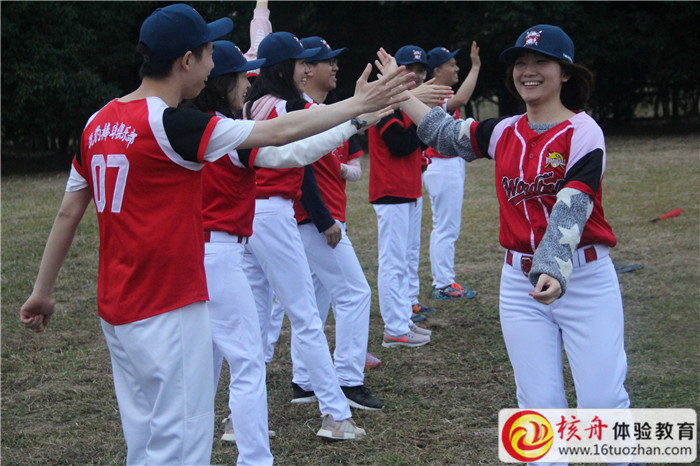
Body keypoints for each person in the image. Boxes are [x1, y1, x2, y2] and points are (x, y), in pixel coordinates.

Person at [18, 3, 413, 463]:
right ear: (186, 60)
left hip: (117, 308)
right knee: (183, 442)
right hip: (169, 303)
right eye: (209, 53)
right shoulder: (173, 124)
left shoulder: (97, 122)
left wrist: (42, 291)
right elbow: (280, 134)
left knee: (143, 437)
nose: (215, 66)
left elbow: (68, 212)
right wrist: (359, 107)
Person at [382, 24, 631, 464]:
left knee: (602, 401)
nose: (527, 71)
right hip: (519, 284)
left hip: (584, 278)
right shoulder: (505, 131)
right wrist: (400, 92)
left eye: (540, 62)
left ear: (565, 72)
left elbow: (573, 204)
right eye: (520, 63)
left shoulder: (583, 131)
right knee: (536, 404)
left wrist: (552, 266)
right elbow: (444, 133)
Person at [241, 31, 383, 439]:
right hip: (274, 213)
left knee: (258, 321)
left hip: (248, 216)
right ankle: (336, 413)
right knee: (306, 315)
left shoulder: (250, 104)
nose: (306, 70)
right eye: (301, 63)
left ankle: (241, 417)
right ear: (283, 68)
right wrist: (362, 111)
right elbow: (312, 142)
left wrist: (362, 110)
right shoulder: (287, 106)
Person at [368, 45, 444, 348]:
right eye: (409, 69)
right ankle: (395, 329)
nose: (416, 75)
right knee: (393, 262)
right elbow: (398, 144)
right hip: (391, 190)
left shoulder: (406, 106)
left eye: (421, 70)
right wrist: (425, 122)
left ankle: (402, 321)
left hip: (407, 189)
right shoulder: (386, 103)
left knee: (404, 260)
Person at [423, 42, 481, 300]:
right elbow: (462, 100)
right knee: (445, 227)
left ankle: (444, 281)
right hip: (441, 164)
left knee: (446, 226)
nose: (456, 68)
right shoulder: (433, 94)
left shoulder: (438, 91)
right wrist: (475, 67)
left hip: (448, 163)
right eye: (452, 64)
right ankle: (443, 284)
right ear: (437, 71)